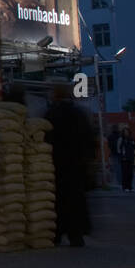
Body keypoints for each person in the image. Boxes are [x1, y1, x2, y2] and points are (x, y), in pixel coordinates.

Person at [44, 83, 93, 246]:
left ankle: (56, 232)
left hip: (56, 164)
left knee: (57, 200)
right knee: (75, 200)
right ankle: (76, 234)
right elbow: (88, 140)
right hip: (76, 164)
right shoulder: (78, 113)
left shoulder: (50, 114)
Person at [117, 125, 135, 192]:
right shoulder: (121, 139)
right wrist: (122, 156)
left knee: (130, 174)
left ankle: (130, 186)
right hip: (124, 159)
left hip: (130, 158)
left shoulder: (131, 139)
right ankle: (125, 187)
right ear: (123, 133)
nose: (126, 133)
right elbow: (118, 149)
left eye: (127, 132)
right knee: (125, 173)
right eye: (125, 132)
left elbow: (134, 146)